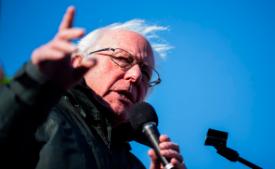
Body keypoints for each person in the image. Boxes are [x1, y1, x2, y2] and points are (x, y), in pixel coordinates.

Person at [0, 6, 186, 169]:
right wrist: (32, 81)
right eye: (122, 59)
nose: (136, 76)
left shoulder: (133, 164)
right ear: (77, 61)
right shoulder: (37, 117)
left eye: (145, 74)